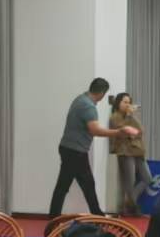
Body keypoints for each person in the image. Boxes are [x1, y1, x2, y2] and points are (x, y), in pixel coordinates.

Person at [52, 77, 136, 216]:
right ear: (102, 93)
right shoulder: (88, 106)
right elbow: (95, 130)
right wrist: (119, 132)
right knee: (75, 185)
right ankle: (95, 215)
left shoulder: (80, 99)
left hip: (70, 149)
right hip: (75, 151)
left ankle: (93, 214)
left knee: (78, 185)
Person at [108, 92, 151, 217]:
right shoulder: (115, 117)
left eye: (129, 102)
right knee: (129, 181)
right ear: (118, 103)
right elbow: (123, 132)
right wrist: (128, 117)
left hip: (137, 151)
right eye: (125, 102)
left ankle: (129, 202)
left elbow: (140, 131)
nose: (127, 105)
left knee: (147, 178)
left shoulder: (130, 116)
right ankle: (130, 207)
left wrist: (130, 116)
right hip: (125, 151)